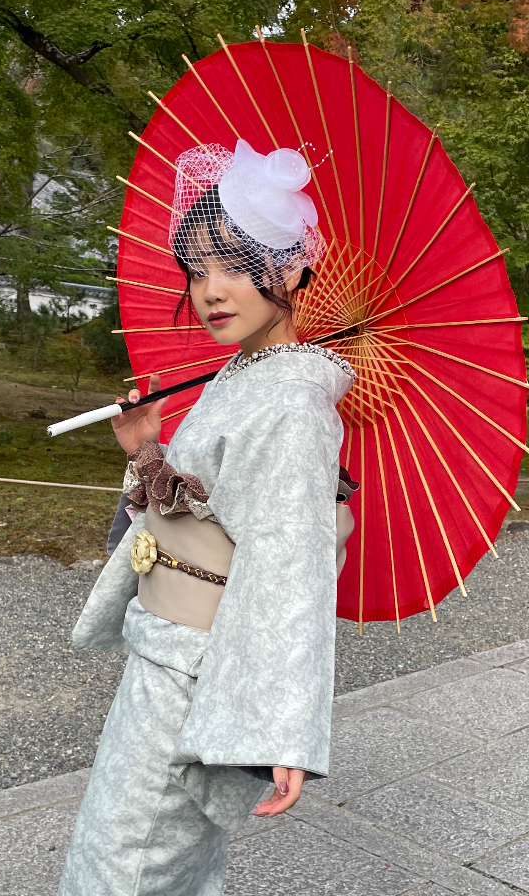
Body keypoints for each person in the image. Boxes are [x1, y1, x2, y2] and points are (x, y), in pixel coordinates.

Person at [57, 139, 355, 896]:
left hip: (196, 671)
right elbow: (199, 503)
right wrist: (146, 447)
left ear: (290, 271)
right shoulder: (241, 373)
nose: (210, 291)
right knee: (163, 866)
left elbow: (290, 572)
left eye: (233, 265)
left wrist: (284, 730)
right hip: (163, 654)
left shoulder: (291, 403)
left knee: (122, 868)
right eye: (197, 270)